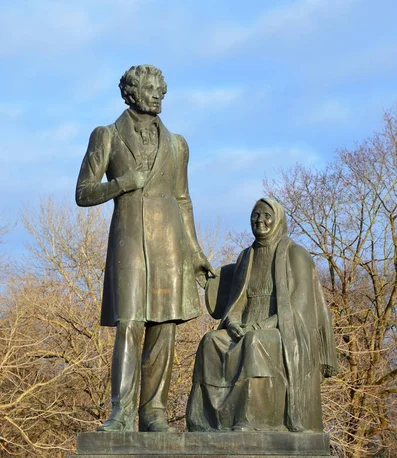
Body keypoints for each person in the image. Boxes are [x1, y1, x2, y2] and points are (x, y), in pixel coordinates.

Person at [76, 64, 214, 432]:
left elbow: (183, 199)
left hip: (170, 244)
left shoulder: (177, 144)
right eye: (150, 89)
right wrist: (121, 183)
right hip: (130, 240)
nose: (158, 95)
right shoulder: (105, 135)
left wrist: (195, 252)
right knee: (130, 323)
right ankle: (121, 412)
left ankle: (153, 412)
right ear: (131, 93)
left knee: (164, 325)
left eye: (161, 90)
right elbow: (83, 192)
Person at [186, 198, 338, 433]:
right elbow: (238, 300)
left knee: (254, 343)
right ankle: (205, 421)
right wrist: (234, 322)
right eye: (255, 215)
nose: (260, 220)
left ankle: (252, 420)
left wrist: (262, 326)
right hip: (246, 328)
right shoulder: (247, 256)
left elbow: (300, 305)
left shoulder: (295, 254)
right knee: (210, 342)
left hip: (285, 332)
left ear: (277, 219)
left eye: (266, 215)